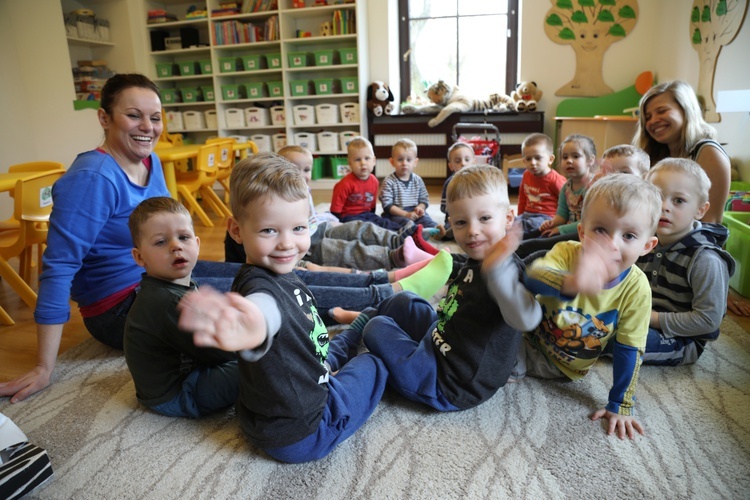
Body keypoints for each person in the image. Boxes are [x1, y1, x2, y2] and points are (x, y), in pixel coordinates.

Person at [0, 74, 236, 403]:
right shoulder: (92, 177)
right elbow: (58, 267)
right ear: (104, 118)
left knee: (258, 278)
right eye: (133, 115)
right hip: (118, 310)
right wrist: (43, 366)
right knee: (248, 301)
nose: (147, 126)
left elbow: (172, 226)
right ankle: (324, 309)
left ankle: (329, 295)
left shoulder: (150, 162)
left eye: (155, 118)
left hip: (161, 277)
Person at [174, 153, 393, 463]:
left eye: (299, 229)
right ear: (236, 231)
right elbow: (265, 312)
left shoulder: (280, 270)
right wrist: (250, 325)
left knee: (336, 343)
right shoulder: (258, 289)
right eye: (269, 231)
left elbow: (300, 328)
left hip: (281, 401)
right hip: (303, 433)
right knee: (373, 365)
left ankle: (353, 332)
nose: (287, 244)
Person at [335, 165, 542, 412]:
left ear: (508, 218)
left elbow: (525, 319)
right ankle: (363, 319)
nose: (473, 231)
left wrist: (500, 278)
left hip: (449, 383)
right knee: (404, 300)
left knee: (377, 329)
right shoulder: (475, 260)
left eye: (484, 218)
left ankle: (362, 326)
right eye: (462, 222)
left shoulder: (507, 271)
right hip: (442, 338)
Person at [514, 174, 660, 439]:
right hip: (528, 336)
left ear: (647, 246)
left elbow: (631, 349)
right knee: (500, 293)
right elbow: (533, 276)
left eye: (628, 235)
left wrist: (621, 404)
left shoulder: (637, 289)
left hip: (561, 367)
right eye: (601, 230)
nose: (611, 244)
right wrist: (571, 282)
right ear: (582, 231)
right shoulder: (568, 252)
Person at [633, 79, 750, 316]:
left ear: (686, 111)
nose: (653, 120)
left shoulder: (709, 153)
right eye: (648, 115)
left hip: (673, 248)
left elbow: (710, 226)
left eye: (662, 111)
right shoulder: (659, 153)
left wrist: (714, 286)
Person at [225, 145, 439, 270]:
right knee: (348, 250)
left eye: (306, 169)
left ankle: (400, 239)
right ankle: (395, 256)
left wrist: (325, 218)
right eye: (294, 170)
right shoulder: (268, 203)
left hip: (314, 229)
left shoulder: (303, 191)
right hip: (306, 245)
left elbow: (308, 217)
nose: (302, 175)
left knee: (358, 228)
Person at [124, 197, 239, 418]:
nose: (176, 246)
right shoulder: (167, 302)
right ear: (139, 257)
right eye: (160, 242)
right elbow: (225, 352)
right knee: (264, 366)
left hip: (193, 371)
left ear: (196, 244)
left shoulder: (177, 286)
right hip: (177, 393)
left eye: (183, 237)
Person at [637, 158, 734, 365]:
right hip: (639, 320)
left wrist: (650, 318)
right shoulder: (643, 241)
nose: (664, 207)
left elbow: (708, 320)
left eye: (679, 200)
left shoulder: (705, 259)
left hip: (681, 340)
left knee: (617, 340)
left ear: (700, 210)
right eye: (657, 196)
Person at [515, 134, 597, 259]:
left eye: (575, 156)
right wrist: (552, 223)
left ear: (590, 160)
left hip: (583, 234)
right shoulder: (567, 187)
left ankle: (520, 259)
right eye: (565, 157)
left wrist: (561, 229)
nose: (569, 160)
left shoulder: (593, 188)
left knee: (538, 245)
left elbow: (589, 222)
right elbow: (561, 214)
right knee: (539, 237)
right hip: (566, 229)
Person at [329, 136, 404, 232]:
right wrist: (338, 225)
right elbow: (335, 209)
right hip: (349, 217)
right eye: (357, 160)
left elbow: (372, 205)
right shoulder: (345, 184)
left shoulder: (374, 181)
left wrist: (371, 215)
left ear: (374, 161)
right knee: (366, 227)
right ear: (350, 163)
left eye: (367, 158)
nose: (363, 163)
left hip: (367, 214)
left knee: (382, 222)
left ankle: (402, 230)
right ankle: (383, 236)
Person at [380, 138, 444, 233]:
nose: (404, 163)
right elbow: (387, 206)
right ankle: (417, 232)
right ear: (392, 162)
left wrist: (420, 208)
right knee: (406, 223)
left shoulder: (417, 180)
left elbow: (424, 200)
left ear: (415, 162)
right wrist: (405, 214)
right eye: (400, 159)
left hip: (415, 211)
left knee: (427, 220)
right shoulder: (389, 181)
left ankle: (438, 232)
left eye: (409, 160)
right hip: (397, 213)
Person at [515, 133, 566, 236]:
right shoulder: (526, 175)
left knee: (524, 227)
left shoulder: (555, 180)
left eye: (538, 158)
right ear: (524, 161)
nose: (533, 163)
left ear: (550, 159)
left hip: (546, 217)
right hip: (527, 215)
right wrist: (519, 215)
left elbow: (567, 202)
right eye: (528, 159)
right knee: (509, 222)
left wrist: (559, 223)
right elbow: (522, 198)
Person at [440, 142, 475, 238]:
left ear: (474, 162)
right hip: (455, 218)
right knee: (451, 226)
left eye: (467, 160)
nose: (463, 163)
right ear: (451, 166)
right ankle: (447, 233)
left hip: (474, 216)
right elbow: (443, 207)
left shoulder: (477, 182)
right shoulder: (450, 183)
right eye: (457, 161)